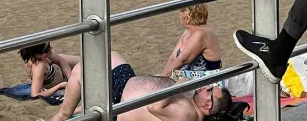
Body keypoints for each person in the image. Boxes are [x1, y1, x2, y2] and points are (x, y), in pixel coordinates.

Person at [49, 51, 230, 121]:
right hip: (126, 84)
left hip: (120, 103)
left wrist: (181, 84)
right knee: (108, 54)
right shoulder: (191, 104)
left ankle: (62, 115)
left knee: (82, 70)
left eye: (209, 92)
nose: (205, 88)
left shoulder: (188, 115)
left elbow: (154, 107)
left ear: (208, 106)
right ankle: (77, 106)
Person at [161, 4, 222, 76]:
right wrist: (162, 76)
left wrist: (163, 78)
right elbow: (173, 58)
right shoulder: (188, 32)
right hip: (187, 75)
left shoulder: (202, 34)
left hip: (206, 78)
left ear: (188, 18)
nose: (179, 18)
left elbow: (183, 60)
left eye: (180, 15)